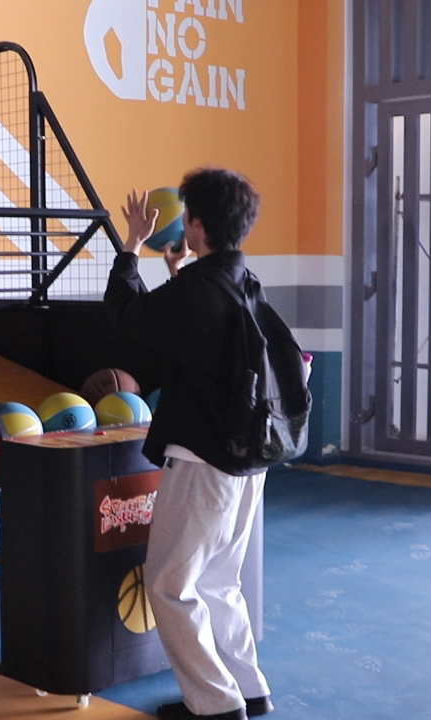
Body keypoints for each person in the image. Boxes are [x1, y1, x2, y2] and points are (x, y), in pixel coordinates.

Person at [104, 168, 273, 720]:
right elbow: (190, 327)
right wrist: (177, 271)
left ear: (195, 223)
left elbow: (127, 315)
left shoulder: (198, 291)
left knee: (169, 584)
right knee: (220, 579)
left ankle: (217, 705)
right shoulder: (243, 281)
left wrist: (131, 243)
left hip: (203, 460)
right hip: (248, 459)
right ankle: (249, 688)